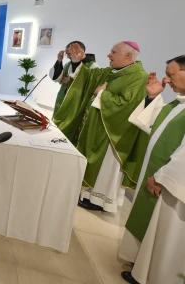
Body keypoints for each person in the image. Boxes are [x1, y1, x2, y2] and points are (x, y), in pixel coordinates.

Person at [54, 42, 149, 213]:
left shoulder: (139, 77)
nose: (108, 55)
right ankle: (87, 195)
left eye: (113, 52)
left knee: (105, 167)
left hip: (113, 134)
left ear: (128, 56)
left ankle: (99, 201)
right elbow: (89, 76)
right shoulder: (111, 72)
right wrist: (76, 62)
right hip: (96, 128)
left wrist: (102, 94)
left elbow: (128, 105)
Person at [118, 56, 185, 284]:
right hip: (159, 175)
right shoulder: (178, 103)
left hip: (172, 184)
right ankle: (144, 267)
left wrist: (163, 176)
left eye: (172, 74)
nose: (167, 79)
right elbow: (150, 123)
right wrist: (153, 97)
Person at [49, 41, 98, 115]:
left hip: (78, 100)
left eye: (69, 54)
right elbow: (58, 78)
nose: (68, 57)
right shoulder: (68, 64)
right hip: (64, 96)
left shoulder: (93, 66)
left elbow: (93, 86)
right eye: (67, 54)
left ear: (78, 51)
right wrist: (59, 61)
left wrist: (71, 80)